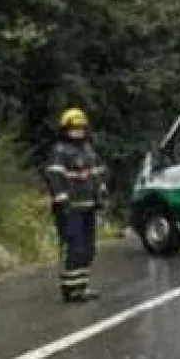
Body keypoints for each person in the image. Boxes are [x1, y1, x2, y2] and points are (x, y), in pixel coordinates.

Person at [43, 107, 107, 303]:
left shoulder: (88, 149)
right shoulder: (59, 151)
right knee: (74, 247)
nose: (78, 132)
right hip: (70, 209)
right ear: (65, 129)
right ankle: (70, 289)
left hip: (88, 207)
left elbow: (96, 174)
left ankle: (82, 286)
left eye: (81, 128)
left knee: (88, 249)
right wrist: (61, 200)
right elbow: (54, 177)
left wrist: (101, 194)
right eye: (74, 128)